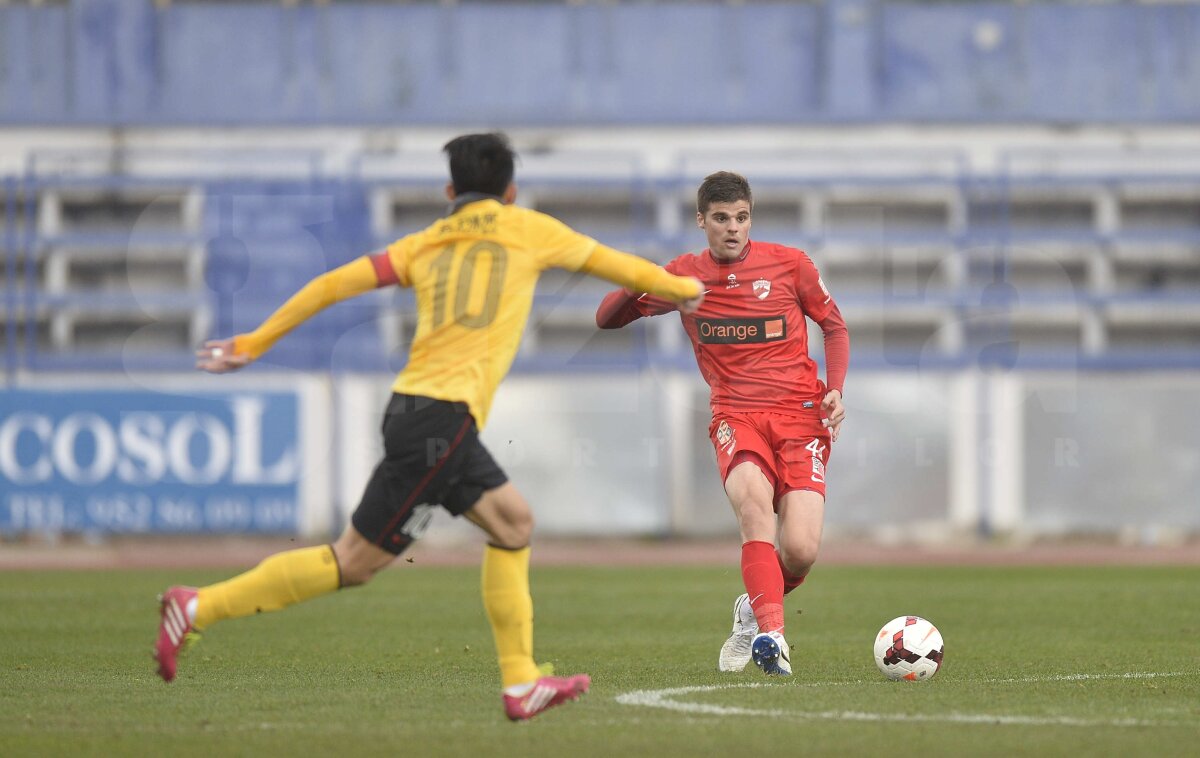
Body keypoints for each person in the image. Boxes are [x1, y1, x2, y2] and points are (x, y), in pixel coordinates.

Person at [153, 132, 704, 721]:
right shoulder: (533, 230)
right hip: (440, 422)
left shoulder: (424, 243)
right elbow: (626, 269)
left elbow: (330, 284)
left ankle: (520, 681)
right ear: (511, 191)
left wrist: (256, 340)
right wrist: (690, 289)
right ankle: (197, 606)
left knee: (514, 523)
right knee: (354, 562)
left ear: (449, 191)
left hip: (422, 413)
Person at [595, 171, 848, 677]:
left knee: (799, 549)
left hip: (800, 417)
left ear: (750, 217)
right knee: (755, 509)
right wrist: (638, 280)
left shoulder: (790, 264)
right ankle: (773, 636)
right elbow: (607, 319)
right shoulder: (683, 278)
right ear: (701, 221)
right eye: (721, 219)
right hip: (736, 416)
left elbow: (834, 325)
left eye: (741, 217)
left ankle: (750, 612)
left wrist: (836, 387)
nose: (733, 228)